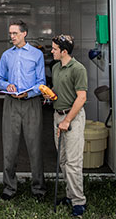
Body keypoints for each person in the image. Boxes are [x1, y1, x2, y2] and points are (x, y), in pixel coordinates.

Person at [0, 20, 46, 201]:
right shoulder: (6, 56)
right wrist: (6, 85)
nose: (12, 37)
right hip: (11, 103)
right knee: (9, 147)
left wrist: (28, 93)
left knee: (35, 147)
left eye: (15, 33)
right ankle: (9, 188)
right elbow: (0, 79)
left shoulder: (37, 55)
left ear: (24, 33)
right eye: (10, 34)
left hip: (31, 103)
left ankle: (39, 189)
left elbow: (41, 82)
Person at [44, 34, 87, 217]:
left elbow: (82, 97)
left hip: (72, 119)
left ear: (63, 51)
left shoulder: (78, 69)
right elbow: (58, 90)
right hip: (57, 117)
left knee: (73, 162)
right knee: (63, 160)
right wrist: (50, 95)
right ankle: (70, 195)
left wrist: (67, 120)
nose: (51, 51)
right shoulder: (55, 68)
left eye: (54, 49)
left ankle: (79, 202)